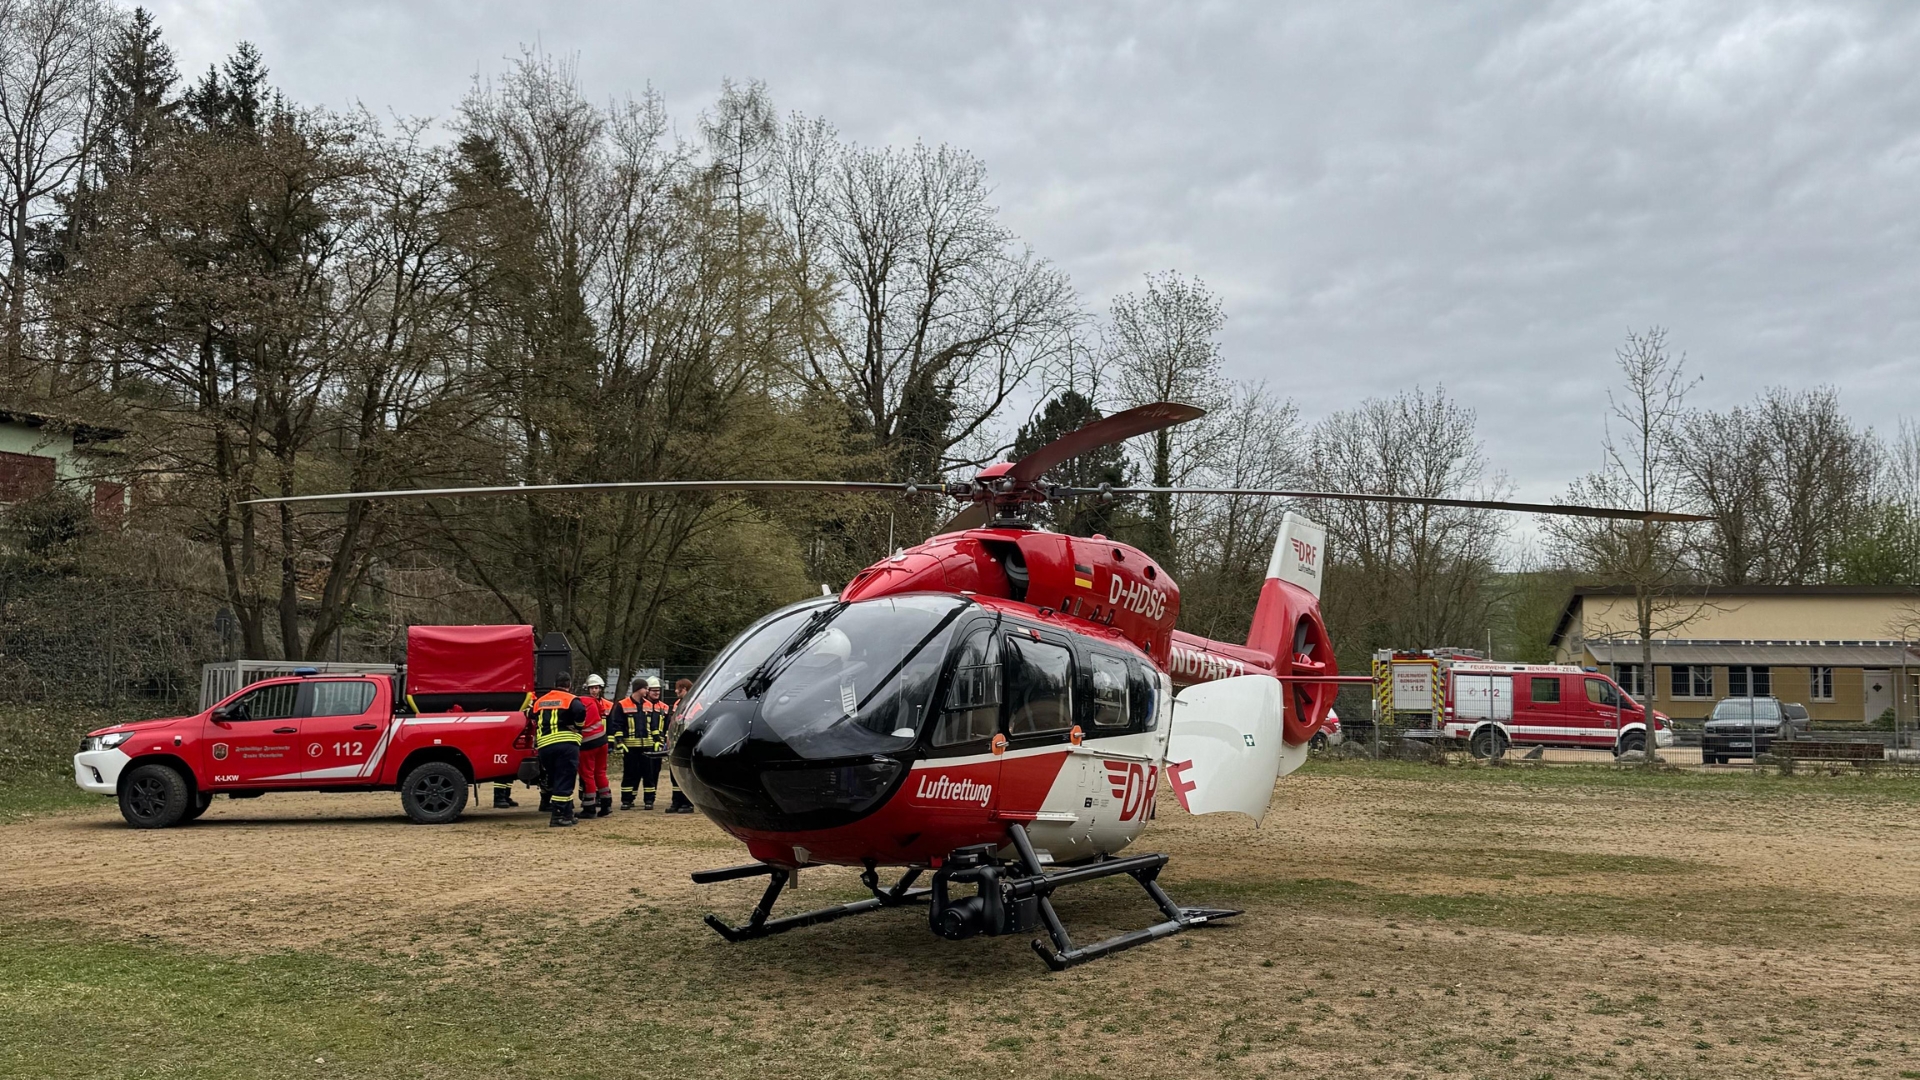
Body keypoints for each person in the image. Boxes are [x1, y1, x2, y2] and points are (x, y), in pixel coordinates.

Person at [530, 672, 586, 827]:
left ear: (555, 684)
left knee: (557, 780)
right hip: (565, 744)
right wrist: (577, 727)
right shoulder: (571, 699)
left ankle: (568, 814)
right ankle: (558, 816)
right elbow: (580, 711)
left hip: (545, 747)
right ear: (569, 684)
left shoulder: (541, 701)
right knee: (566, 779)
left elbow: (531, 715)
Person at [608, 677, 652, 810]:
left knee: (648, 774)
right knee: (629, 774)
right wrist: (620, 742)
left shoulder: (648, 705)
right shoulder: (622, 704)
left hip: (647, 746)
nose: (647, 691)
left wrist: (657, 741)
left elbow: (653, 725)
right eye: (645, 688)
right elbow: (618, 725)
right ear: (639, 689)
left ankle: (649, 800)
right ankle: (627, 800)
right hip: (630, 747)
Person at [575, 673, 613, 818]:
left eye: (596, 688)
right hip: (602, 740)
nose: (594, 690)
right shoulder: (595, 702)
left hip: (588, 744)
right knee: (600, 773)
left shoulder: (576, 702)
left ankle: (589, 808)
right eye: (592, 688)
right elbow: (602, 713)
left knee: (587, 775)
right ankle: (606, 804)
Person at [663, 677, 697, 814]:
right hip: (676, 743)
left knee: (686, 775)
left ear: (687, 689)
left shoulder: (695, 704)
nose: (676, 691)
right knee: (675, 775)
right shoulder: (677, 704)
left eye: (679, 689)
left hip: (687, 743)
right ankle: (676, 802)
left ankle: (687, 803)